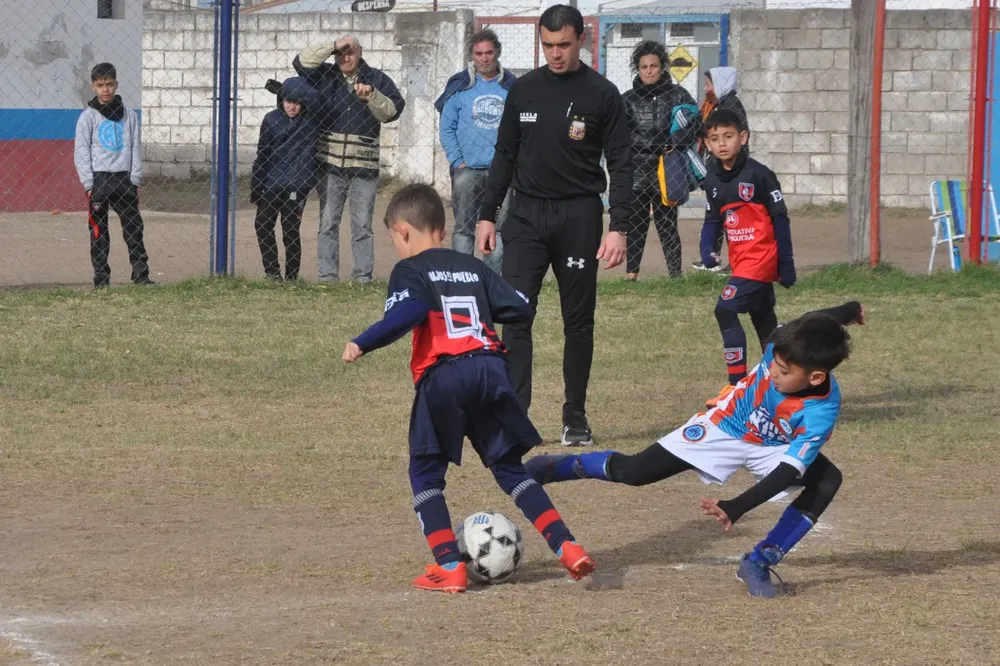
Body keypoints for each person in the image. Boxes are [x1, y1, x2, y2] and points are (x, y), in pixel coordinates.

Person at [342, 184, 596, 593]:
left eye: (393, 238)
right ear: (442, 231)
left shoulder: (409, 270)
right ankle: (567, 546)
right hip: (492, 368)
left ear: (403, 231)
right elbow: (519, 306)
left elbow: (407, 312)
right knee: (510, 469)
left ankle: (449, 566)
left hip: (445, 374)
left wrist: (362, 341)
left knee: (425, 473)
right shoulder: (471, 267)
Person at [524, 301, 865, 598]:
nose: (772, 371)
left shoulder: (821, 411)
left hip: (774, 446)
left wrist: (737, 506)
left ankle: (760, 561)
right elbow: (817, 316)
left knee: (827, 480)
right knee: (635, 472)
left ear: (816, 378)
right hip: (726, 424)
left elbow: (789, 472)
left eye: (785, 371)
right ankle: (557, 468)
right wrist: (850, 310)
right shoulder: (784, 342)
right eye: (773, 362)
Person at [475, 5, 633, 446]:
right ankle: (516, 417)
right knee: (516, 315)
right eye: (547, 45)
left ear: (581, 40)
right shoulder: (523, 90)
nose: (555, 54)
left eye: (563, 45)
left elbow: (622, 163)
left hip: (578, 216)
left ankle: (575, 416)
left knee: (578, 320)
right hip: (525, 216)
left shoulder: (603, 94)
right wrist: (488, 215)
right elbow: (504, 155)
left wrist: (618, 226)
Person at [699, 109, 795, 409]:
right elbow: (713, 219)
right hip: (742, 262)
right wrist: (707, 247)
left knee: (725, 310)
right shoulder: (712, 178)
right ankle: (788, 387)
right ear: (707, 143)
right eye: (715, 139)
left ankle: (736, 386)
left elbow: (781, 220)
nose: (722, 144)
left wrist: (786, 262)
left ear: (743, 137)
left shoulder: (760, 174)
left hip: (762, 258)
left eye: (728, 136)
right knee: (767, 328)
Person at [293, 34, 405, 283]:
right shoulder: (324, 76)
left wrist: (372, 96)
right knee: (328, 223)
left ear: (360, 53)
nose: (345, 57)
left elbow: (392, 112)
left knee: (362, 226)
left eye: (350, 51)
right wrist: (334, 45)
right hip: (329, 165)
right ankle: (327, 277)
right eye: (341, 53)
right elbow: (300, 62)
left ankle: (362, 278)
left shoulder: (377, 79)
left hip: (363, 168)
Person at [436, 28, 517, 274]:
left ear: (497, 53)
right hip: (467, 171)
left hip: (501, 172)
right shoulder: (460, 87)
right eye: (478, 53)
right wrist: (458, 161)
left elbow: (522, 127)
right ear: (472, 56)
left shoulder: (512, 87)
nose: (484, 58)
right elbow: (446, 128)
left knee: (499, 227)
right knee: (463, 227)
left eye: (488, 53)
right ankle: (464, 276)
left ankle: (492, 279)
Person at [622, 41, 701, 281]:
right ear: (637, 68)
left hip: (668, 171)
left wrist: (672, 142)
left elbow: (695, 124)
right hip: (637, 172)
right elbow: (620, 133)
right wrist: (650, 143)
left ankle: (675, 275)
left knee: (668, 225)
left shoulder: (678, 94)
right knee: (636, 226)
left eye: (653, 66)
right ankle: (631, 273)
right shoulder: (627, 99)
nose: (648, 71)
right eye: (643, 66)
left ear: (662, 67)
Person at [74, 62, 153, 288]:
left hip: (124, 180)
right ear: (93, 87)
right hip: (99, 181)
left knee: (134, 229)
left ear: (116, 84)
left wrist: (135, 179)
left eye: (109, 84)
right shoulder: (87, 118)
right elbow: (81, 152)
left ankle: (141, 276)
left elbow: (136, 148)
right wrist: (89, 183)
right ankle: (101, 280)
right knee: (99, 233)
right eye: (100, 85)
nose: (105, 89)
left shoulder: (130, 116)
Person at [250, 77, 319, 281]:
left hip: (295, 187)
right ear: (281, 100)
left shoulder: (310, 121)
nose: (292, 106)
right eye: (288, 101)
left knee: (290, 230)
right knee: (262, 225)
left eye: (297, 102)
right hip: (272, 184)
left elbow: (318, 100)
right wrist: (257, 187)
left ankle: (291, 276)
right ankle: (272, 272)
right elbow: (262, 155)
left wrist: (304, 188)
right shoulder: (271, 119)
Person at [694, 67, 749, 273]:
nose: (707, 89)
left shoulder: (730, 106)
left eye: (709, 84)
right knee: (715, 214)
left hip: (730, 172)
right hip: (719, 170)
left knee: (732, 218)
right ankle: (712, 258)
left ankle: (736, 262)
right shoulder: (719, 104)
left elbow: (738, 143)